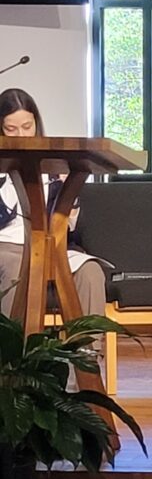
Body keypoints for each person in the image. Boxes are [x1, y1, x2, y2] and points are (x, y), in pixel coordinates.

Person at [0, 89, 107, 333]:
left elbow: (69, 226)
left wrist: (66, 187)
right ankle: (13, 364)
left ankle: (83, 362)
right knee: (18, 269)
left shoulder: (55, 166)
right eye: (11, 129)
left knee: (91, 273)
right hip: (6, 246)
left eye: (27, 126)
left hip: (51, 246)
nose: (21, 135)